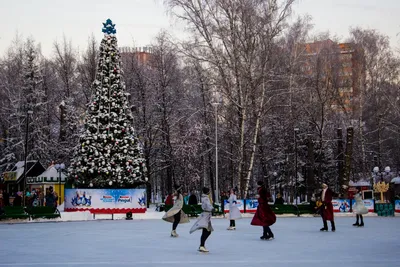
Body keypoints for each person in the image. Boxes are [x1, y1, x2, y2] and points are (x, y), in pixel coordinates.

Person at [190, 187, 213, 252]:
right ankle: (202, 245)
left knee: (206, 231)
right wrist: (212, 208)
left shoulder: (205, 197)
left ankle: (202, 245)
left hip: (206, 215)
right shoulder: (206, 198)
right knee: (207, 231)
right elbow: (208, 205)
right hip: (206, 216)